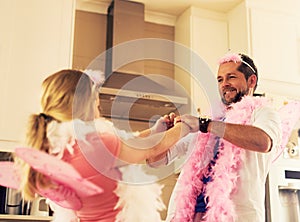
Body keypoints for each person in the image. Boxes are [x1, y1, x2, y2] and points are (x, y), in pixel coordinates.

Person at [15, 69, 191, 222]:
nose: (98, 107)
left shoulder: (58, 149)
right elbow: (151, 149)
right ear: (84, 103)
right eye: (95, 102)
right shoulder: (96, 145)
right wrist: (187, 126)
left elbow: (125, 144)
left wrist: (154, 131)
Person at [148, 53, 282, 222]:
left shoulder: (264, 113)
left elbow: (263, 141)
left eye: (231, 77)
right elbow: (155, 161)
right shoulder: (208, 120)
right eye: (220, 79)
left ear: (251, 81)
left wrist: (205, 125)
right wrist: (158, 135)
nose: (224, 84)